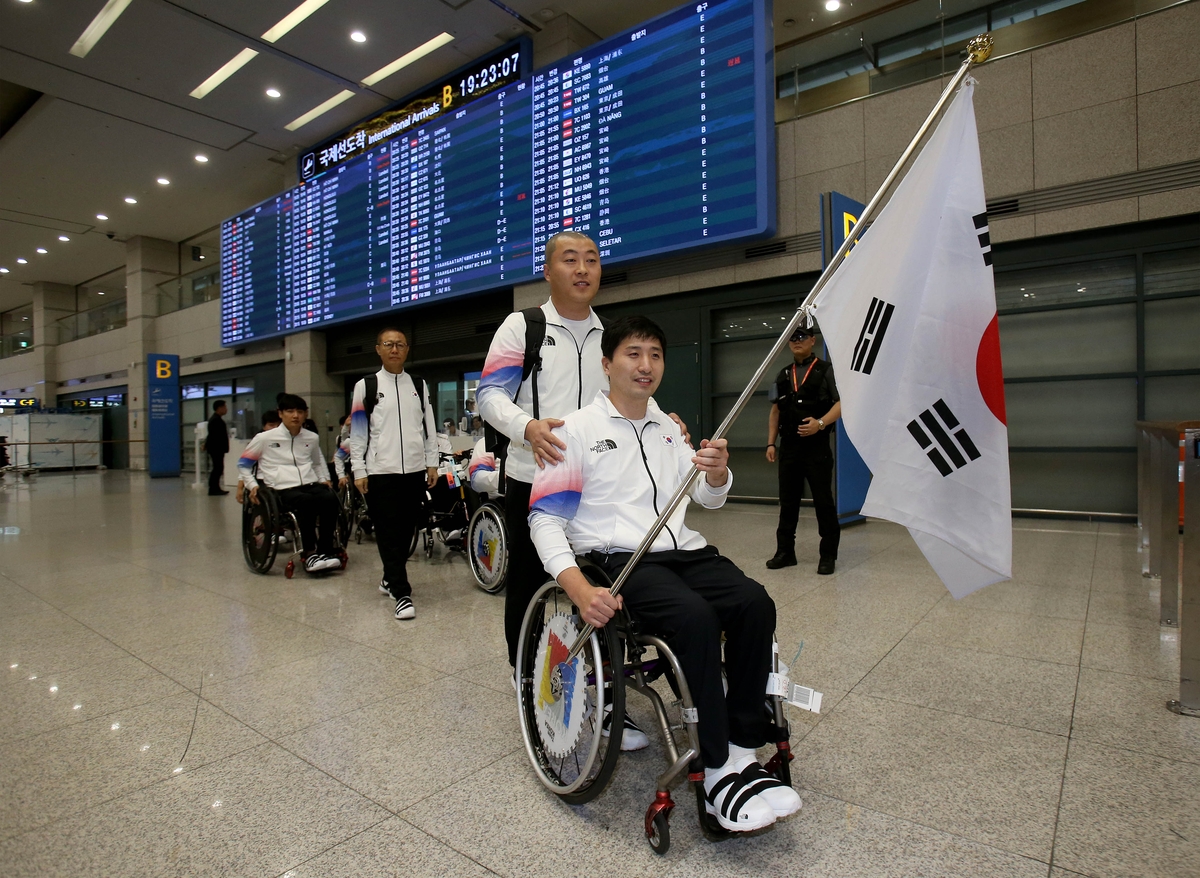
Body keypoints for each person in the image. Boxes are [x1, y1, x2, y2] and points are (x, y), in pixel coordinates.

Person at [529, 316, 801, 833]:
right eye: (633, 354)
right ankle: (716, 767)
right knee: (694, 619)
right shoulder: (574, 431)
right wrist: (579, 589)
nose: (645, 365)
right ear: (606, 364)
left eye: (655, 354)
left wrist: (717, 474)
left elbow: (704, 499)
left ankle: (743, 748)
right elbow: (544, 519)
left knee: (754, 603)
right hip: (621, 560)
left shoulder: (669, 429)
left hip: (686, 552)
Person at [348, 327, 438, 621]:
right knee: (387, 531)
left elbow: (429, 428)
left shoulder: (420, 385)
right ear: (378, 349)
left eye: (400, 344)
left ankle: (389, 577)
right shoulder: (366, 386)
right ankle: (401, 592)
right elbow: (359, 433)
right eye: (389, 344)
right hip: (380, 472)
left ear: (407, 349)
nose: (395, 349)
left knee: (406, 530)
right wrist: (359, 469)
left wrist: (431, 462)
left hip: (413, 471)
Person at [765, 324, 842, 574]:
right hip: (789, 448)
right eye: (792, 339)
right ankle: (785, 552)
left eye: (802, 337)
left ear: (812, 341)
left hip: (816, 447)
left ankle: (828, 555)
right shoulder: (783, 374)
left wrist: (820, 424)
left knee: (823, 501)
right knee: (788, 502)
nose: (797, 341)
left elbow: (842, 403)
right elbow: (775, 410)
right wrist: (770, 442)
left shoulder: (825, 370)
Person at [238, 394, 342, 574]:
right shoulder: (264, 438)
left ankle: (326, 551)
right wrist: (252, 485)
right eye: (290, 411)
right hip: (280, 488)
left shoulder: (311, 438)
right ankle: (309, 554)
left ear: (305, 414)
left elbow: (317, 463)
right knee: (305, 502)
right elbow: (244, 464)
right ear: (280, 414)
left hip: (309, 484)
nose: (296, 415)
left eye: (300, 412)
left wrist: (325, 479)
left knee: (330, 498)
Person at [236, 410, 281, 504]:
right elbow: (245, 465)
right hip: (264, 479)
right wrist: (240, 488)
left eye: (278, 425)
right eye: (271, 425)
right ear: (264, 426)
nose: (275, 428)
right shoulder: (260, 440)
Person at [205, 399, 230, 495]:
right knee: (217, 468)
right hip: (216, 449)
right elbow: (214, 436)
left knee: (218, 468)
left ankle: (215, 487)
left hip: (215, 448)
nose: (226, 409)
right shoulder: (216, 420)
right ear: (219, 408)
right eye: (224, 407)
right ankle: (213, 488)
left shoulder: (215, 419)